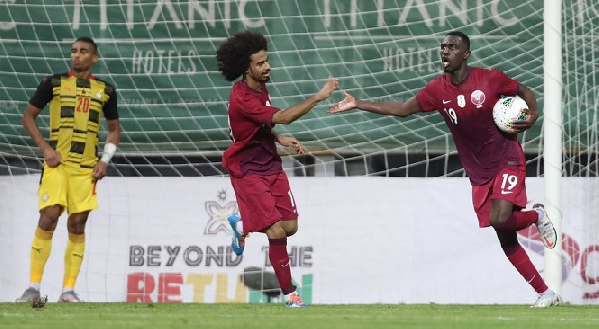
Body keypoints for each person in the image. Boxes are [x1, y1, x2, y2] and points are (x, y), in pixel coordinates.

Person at [327, 31, 561, 308]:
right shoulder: (437, 90)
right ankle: (545, 292)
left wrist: (532, 115)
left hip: (507, 160)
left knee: (500, 218)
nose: (444, 51)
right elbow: (402, 109)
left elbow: (524, 92)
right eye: (443, 46)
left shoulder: (490, 79)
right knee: (505, 237)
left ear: (466, 54)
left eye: (452, 47)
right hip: (478, 172)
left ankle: (536, 215)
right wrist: (358, 103)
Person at [216, 30, 339, 308]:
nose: (267, 66)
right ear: (246, 68)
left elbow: (259, 125)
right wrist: (319, 96)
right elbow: (282, 117)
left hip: (271, 164)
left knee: (290, 227)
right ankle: (290, 295)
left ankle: (241, 224)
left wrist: (278, 138)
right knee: (276, 232)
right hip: (247, 169)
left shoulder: (261, 87)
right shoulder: (242, 97)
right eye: (260, 63)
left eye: (267, 60)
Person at [16, 36, 120, 303]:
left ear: (94, 58)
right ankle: (33, 287)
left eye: (83, 51)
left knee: (77, 224)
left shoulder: (106, 90)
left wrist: (105, 160)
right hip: (58, 165)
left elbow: (114, 130)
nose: (76, 55)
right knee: (49, 217)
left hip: (86, 169)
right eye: (73, 51)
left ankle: (68, 291)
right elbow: (28, 116)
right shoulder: (54, 83)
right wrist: (46, 149)